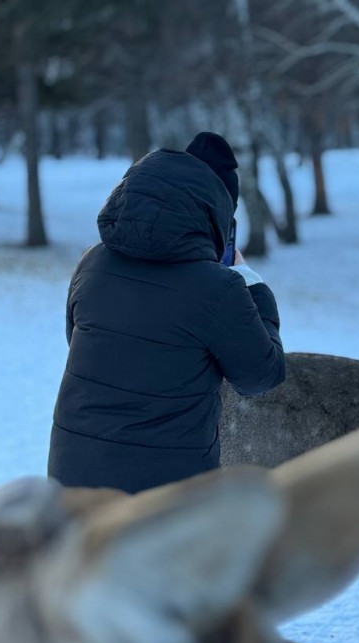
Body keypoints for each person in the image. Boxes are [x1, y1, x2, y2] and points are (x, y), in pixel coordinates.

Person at [48, 132, 285, 493]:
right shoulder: (219, 288)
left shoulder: (92, 262)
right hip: (164, 501)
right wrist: (254, 287)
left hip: (73, 484)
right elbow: (261, 376)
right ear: (214, 212)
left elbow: (79, 340)